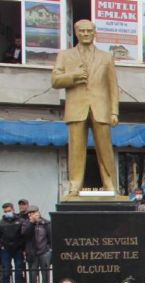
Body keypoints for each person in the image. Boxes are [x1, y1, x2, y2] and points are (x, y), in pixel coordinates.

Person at [51, 20, 119, 196]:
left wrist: (114, 111)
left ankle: (110, 184)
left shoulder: (106, 57)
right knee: (75, 150)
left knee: (105, 148)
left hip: (101, 108)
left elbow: (113, 87)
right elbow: (55, 80)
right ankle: (75, 185)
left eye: (89, 31)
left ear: (95, 32)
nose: (86, 34)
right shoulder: (65, 55)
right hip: (76, 107)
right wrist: (73, 76)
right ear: (76, 33)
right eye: (82, 31)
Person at [21, 206, 52, 283]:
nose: (31, 214)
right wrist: (31, 222)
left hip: (44, 252)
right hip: (32, 253)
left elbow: (50, 237)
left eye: (33, 212)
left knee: (45, 272)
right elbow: (25, 235)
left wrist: (49, 249)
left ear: (38, 212)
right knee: (32, 273)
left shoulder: (46, 223)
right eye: (29, 213)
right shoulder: (26, 223)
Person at [0, 202, 26, 283]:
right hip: (5, 250)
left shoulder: (20, 221)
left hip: (18, 249)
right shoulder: (1, 222)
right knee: (6, 271)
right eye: (5, 211)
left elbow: (24, 235)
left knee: (19, 271)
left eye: (9, 211)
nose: (7, 212)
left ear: (13, 209)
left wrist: (22, 247)